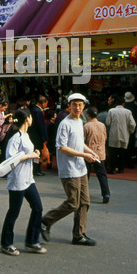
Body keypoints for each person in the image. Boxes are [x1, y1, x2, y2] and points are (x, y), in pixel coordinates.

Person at [41, 93, 99, 246]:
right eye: (74, 105)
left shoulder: (80, 121)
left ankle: (79, 235)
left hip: (81, 168)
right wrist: (83, 155)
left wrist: (90, 151)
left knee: (85, 202)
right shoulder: (64, 124)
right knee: (73, 203)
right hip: (69, 169)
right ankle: (45, 221)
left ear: (83, 107)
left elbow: (80, 143)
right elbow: (62, 148)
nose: (77, 108)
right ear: (69, 106)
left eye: (80, 105)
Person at [0, 108, 47, 256]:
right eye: (31, 116)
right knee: (14, 212)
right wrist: (29, 155)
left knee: (38, 208)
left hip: (28, 179)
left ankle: (32, 241)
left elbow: (27, 154)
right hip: (17, 180)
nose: (32, 118)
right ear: (27, 119)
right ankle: (6, 243)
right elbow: (11, 158)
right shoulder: (16, 137)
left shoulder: (25, 135)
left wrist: (35, 154)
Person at [83, 107, 110, 203]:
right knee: (102, 175)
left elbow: (82, 141)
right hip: (100, 153)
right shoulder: (102, 125)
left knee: (85, 174)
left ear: (88, 115)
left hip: (89, 153)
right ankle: (106, 193)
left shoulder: (86, 126)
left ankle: (83, 193)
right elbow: (105, 137)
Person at [106, 95, 136, 174]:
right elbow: (133, 124)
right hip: (124, 135)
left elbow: (108, 123)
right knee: (122, 153)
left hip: (113, 134)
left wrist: (111, 128)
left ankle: (112, 169)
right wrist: (130, 132)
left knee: (113, 153)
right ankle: (121, 169)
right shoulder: (128, 112)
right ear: (123, 103)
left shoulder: (111, 111)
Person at [28, 95, 48, 176]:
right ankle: (36, 170)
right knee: (37, 152)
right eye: (46, 103)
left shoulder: (33, 109)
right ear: (43, 103)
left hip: (32, 135)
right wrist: (45, 138)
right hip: (37, 136)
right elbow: (41, 126)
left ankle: (35, 169)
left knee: (34, 152)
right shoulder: (38, 112)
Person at [0, 97, 12, 169]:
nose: (4, 109)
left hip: (0, 133)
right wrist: (9, 121)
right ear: (0, 105)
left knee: (0, 151)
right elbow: (0, 122)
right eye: (4, 108)